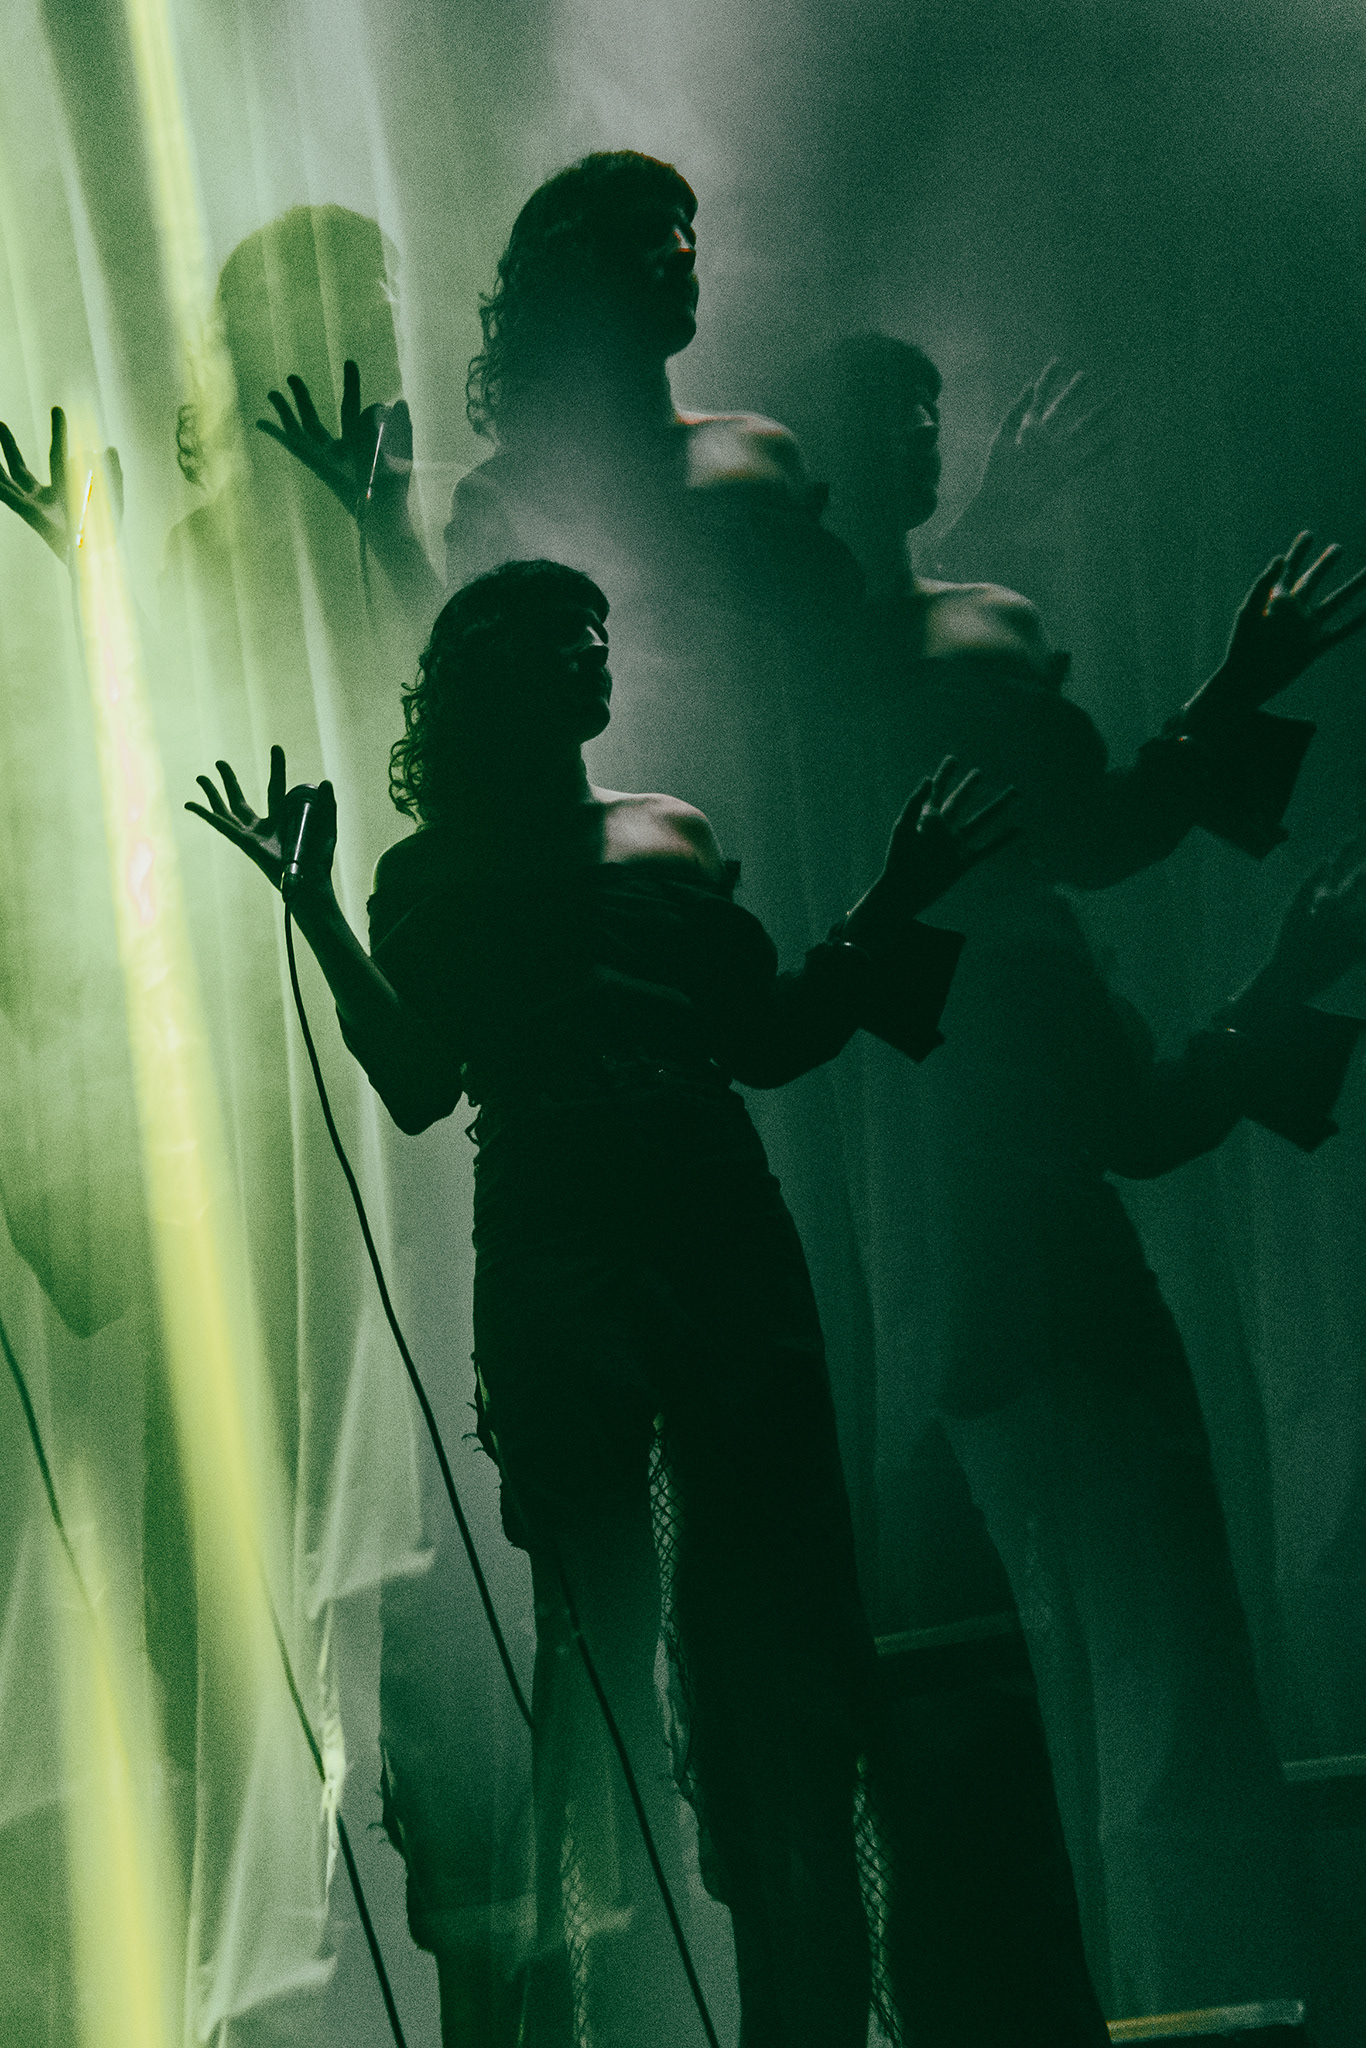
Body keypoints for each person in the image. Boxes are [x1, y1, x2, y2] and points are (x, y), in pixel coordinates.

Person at [186, 556, 1009, 2048]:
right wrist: (314, 913)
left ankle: (814, 2012)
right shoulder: (429, 872)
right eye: (563, 639)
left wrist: (897, 898)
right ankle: (609, 2009)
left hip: (714, 1219)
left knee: (782, 1629)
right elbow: (419, 1087)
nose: (594, 655)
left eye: (599, 633)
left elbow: (770, 1037)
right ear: (492, 676)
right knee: (594, 1639)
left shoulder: (667, 829)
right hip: (559, 1238)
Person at [789, 329, 1366, 2034]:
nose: (915, 429)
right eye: (884, 415)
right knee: (1132, 1619)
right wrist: (1235, 697)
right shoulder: (975, 914)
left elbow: (1080, 830)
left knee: (1074, 1634)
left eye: (926, 408)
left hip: (962, 1240)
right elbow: (1098, 835)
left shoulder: (897, 724)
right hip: (1004, 1250)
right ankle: (1190, 1981)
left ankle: (1143, 1981)